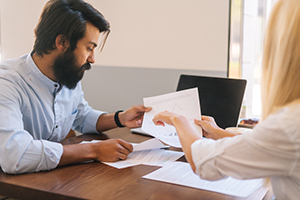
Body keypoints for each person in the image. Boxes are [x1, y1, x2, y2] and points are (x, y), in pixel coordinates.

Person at [152, 0, 300, 199]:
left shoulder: (290, 122)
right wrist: (219, 134)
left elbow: (202, 162)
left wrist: (179, 120)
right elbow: (265, 145)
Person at [0, 0, 150, 174]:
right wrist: (94, 150)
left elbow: (81, 116)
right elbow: (15, 156)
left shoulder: (66, 74)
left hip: (49, 179)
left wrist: (120, 118)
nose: (93, 59)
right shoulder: (7, 82)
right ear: (62, 43)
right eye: (89, 48)